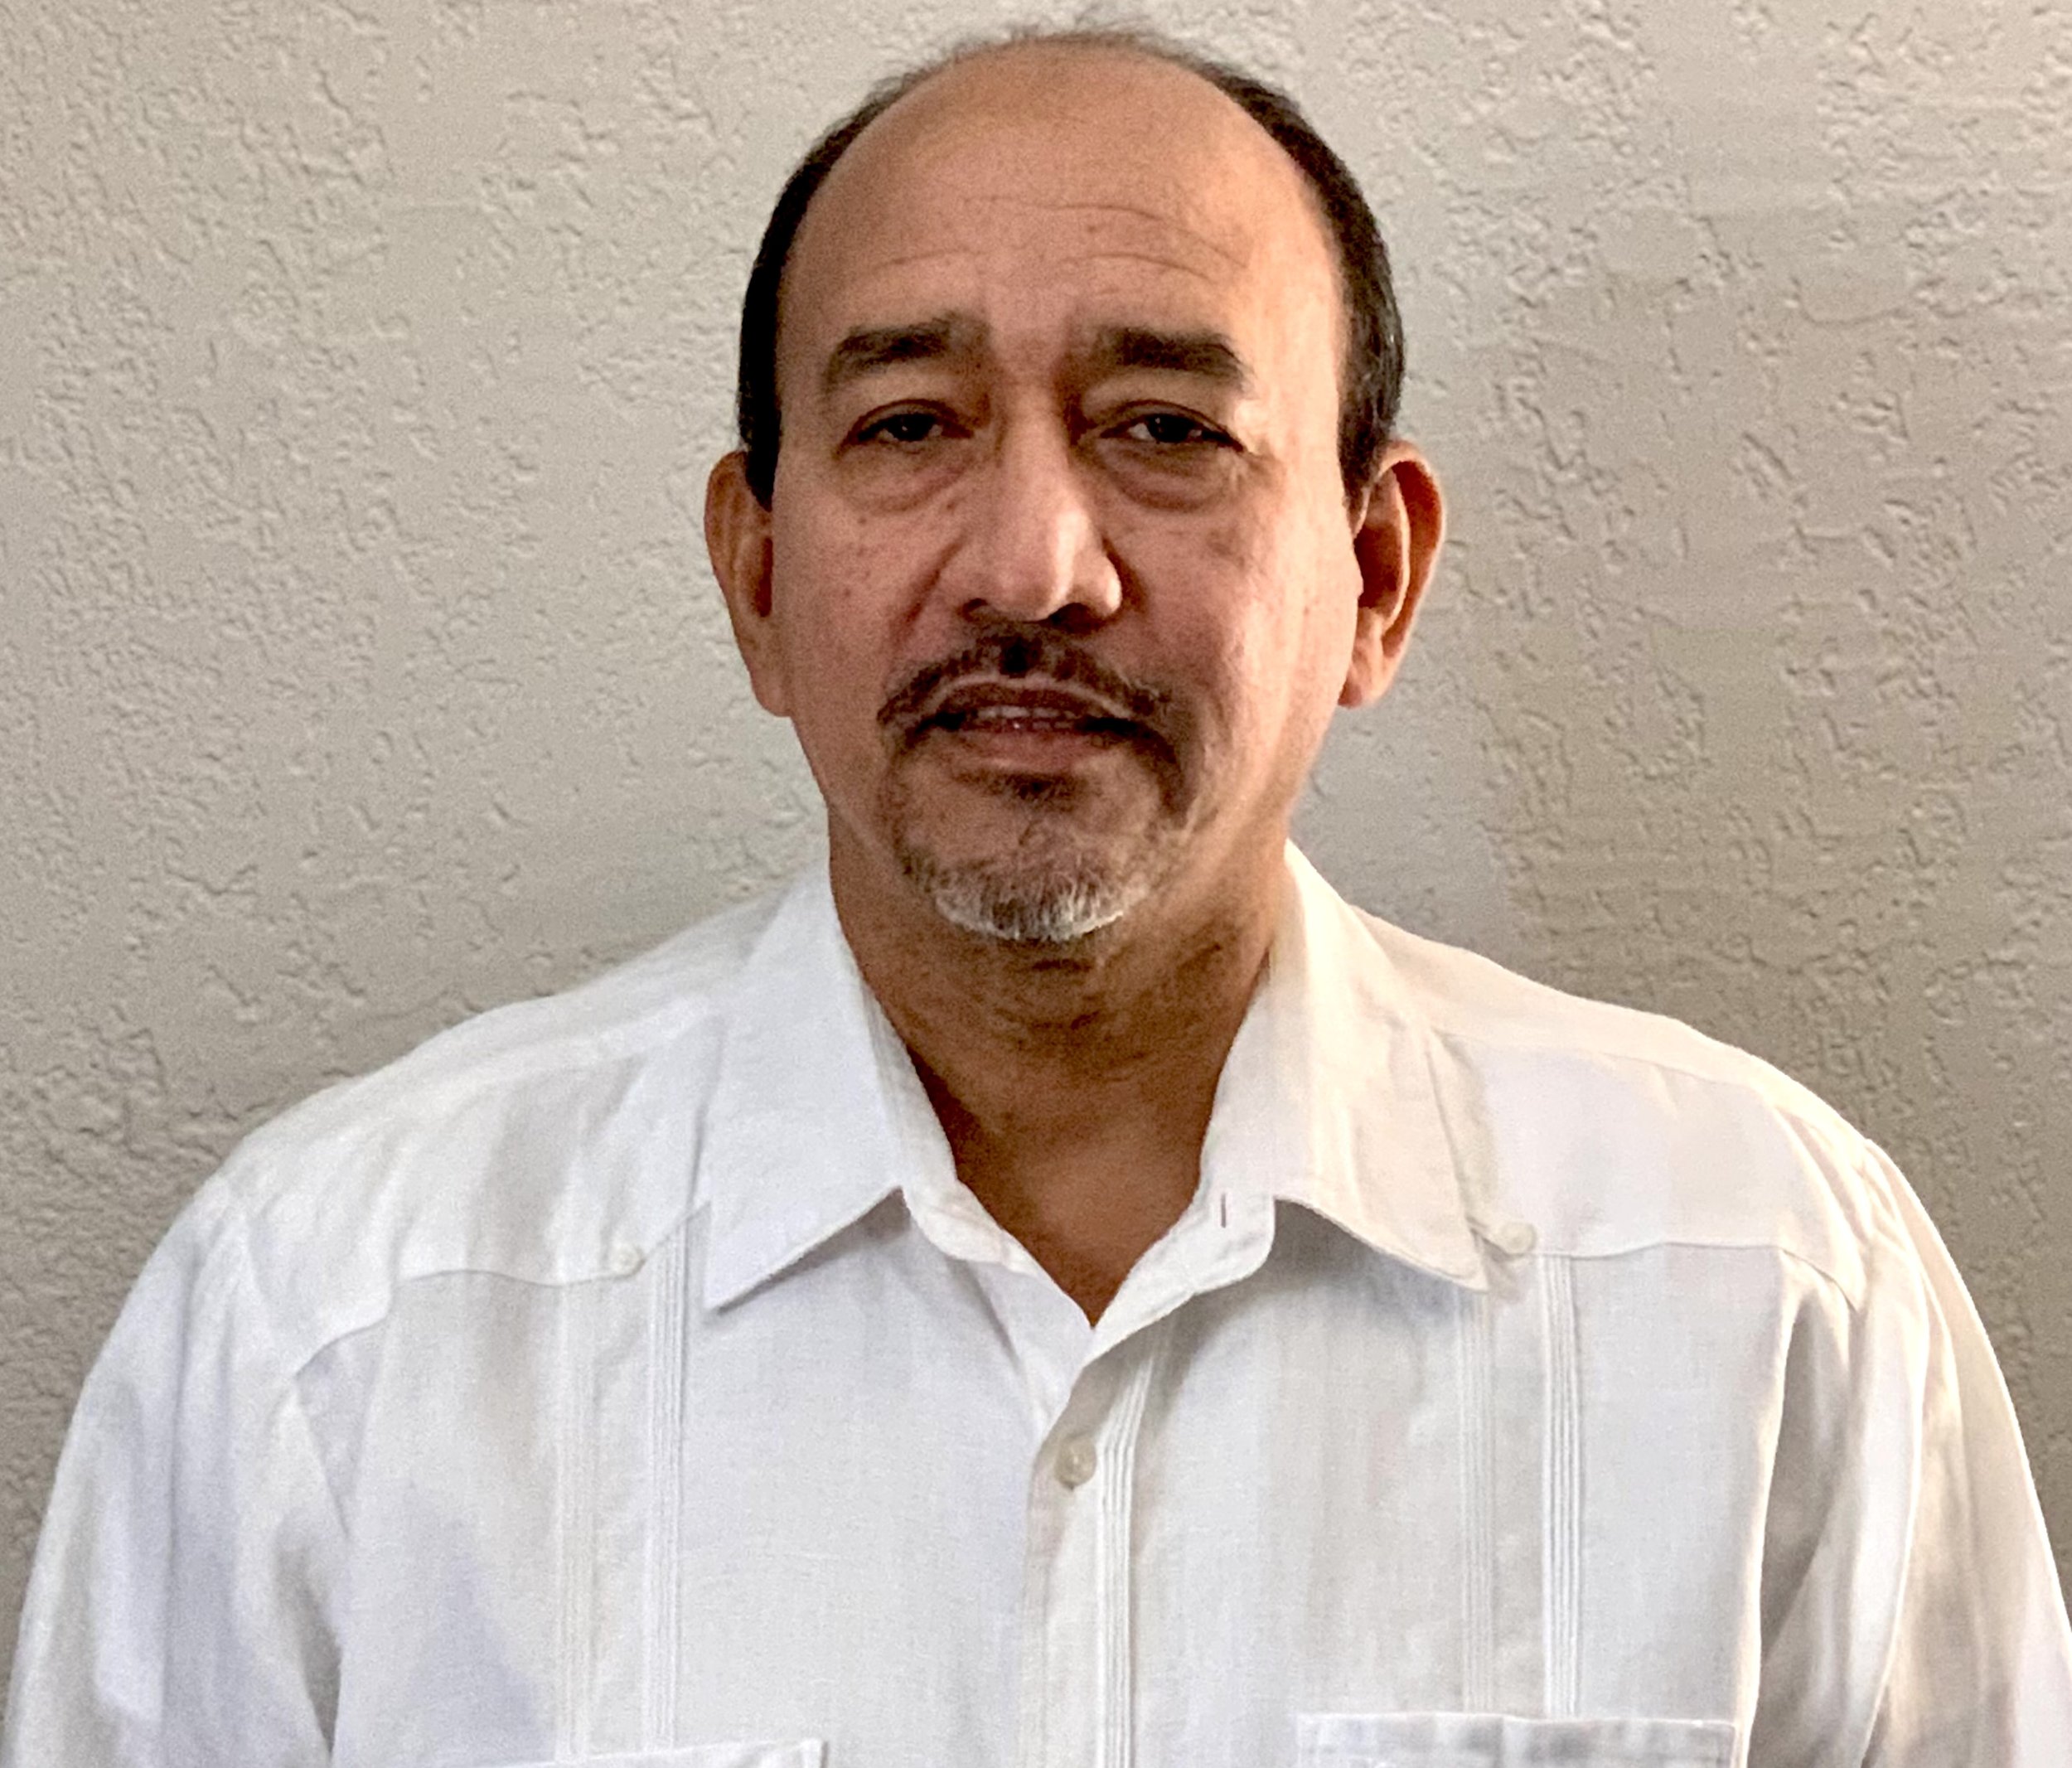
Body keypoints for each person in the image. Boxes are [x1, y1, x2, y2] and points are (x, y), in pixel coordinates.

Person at [6, 24, 2069, 1768]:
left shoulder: (1762, 1287)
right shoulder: (331, 1326)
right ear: (753, 573)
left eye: (1163, 427)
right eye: (908, 424)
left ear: (1374, 573)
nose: (1030, 566)